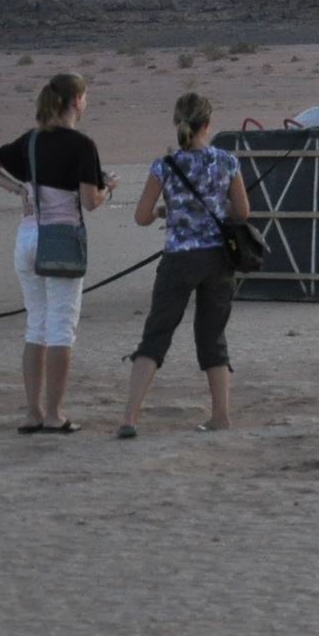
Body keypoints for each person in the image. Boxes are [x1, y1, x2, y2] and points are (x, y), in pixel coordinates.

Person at [0, 72, 117, 434]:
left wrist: (18, 189)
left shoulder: (32, 140)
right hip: (61, 240)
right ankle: (54, 414)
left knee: (36, 324)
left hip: (28, 238)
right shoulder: (82, 145)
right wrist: (109, 188)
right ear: (76, 101)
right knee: (61, 328)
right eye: (85, 97)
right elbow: (90, 201)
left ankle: (33, 412)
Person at [116, 92, 250, 438]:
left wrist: (167, 211)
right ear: (208, 123)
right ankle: (220, 416)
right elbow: (242, 211)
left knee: (155, 335)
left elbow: (141, 216)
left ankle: (130, 417)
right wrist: (215, 209)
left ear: (177, 122)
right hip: (218, 258)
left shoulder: (165, 166)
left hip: (178, 258)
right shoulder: (227, 161)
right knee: (212, 337)